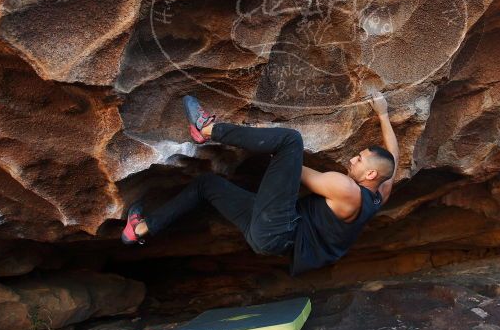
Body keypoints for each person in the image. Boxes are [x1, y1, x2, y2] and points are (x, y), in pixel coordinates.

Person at [122, 92, 399, 276]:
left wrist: (268, 144)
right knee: (207, 184)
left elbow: (293, 169)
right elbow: (393, 162)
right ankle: (140, 229)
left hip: (277, 230)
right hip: (266, 236)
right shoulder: (378, 196)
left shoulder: (347, 190)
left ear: (371, 175)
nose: (352, 159)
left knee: (290, 141)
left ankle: (205, 129)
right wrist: (383, 114)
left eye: (359, 160)